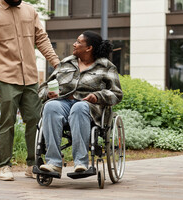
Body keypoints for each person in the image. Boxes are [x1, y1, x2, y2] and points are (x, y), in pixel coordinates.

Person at [0, 0, 60, 181]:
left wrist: (58, 64)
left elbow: (42, 39)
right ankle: (5, 166)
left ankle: (33, 164)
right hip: (5, 77)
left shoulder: (30, 11)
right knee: (7, 122)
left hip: (31, 77)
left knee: (35, 120)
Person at [38, 30, 123, 174]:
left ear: (88, 48)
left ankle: (81, 163)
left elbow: (117, 94)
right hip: (63, 103)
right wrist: (48, 93)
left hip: (89, 107)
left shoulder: (106, 66)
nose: (74, 44)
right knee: (50, 106)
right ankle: (53, 162)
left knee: (79, 107)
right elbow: (44, 87)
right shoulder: (66, 63)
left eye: (78, 42)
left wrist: (97, 96)